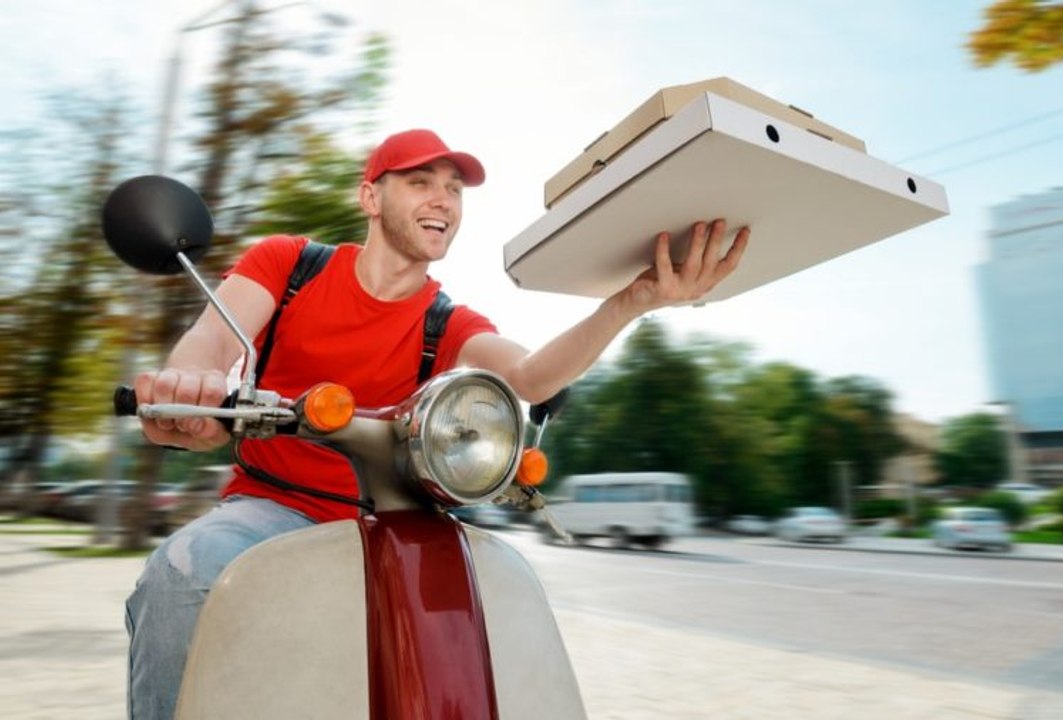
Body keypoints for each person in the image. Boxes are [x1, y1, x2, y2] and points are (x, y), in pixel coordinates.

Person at [125, 127, 749, 718]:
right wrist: (194, 387)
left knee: (501, 616)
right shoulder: (290, 265)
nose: (443, 200)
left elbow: (529, 377)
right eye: (421, 181)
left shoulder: (446, 321)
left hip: (398, 519)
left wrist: (631, 303)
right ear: (371, 196)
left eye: (454, 188)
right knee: (185, 569)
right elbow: (208, 344)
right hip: (275, 505)